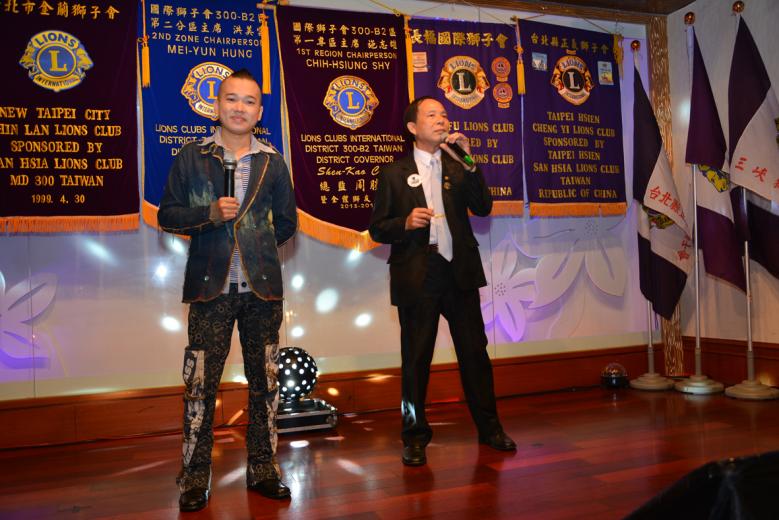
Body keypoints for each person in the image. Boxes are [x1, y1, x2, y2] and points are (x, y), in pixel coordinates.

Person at [158, 69, 297, 512]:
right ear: (216, 106)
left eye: (249, 101)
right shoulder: (191, 156)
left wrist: (255, 245)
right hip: (209, 290)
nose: (240, 108)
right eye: (231, 99)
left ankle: (263, 469)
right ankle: (194, 477)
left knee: (265, 384)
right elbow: (167, 215)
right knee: (200, 386)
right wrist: (210, 214)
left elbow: (287, 223)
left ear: (260, 111)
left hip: (262, 292)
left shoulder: (273, 163)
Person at [369, 96, 516, 466]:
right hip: (419, 274)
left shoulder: (457, 165)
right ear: (412, 128)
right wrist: (404, 223)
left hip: (459, 272)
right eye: (431, 115)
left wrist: (469, 161)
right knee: (415, 359)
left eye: (444, 115)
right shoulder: (393, 173)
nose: (441, 120)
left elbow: (483, 207)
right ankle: (414, 436)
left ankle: (490, 429)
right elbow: (377, 228)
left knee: (474, 354)